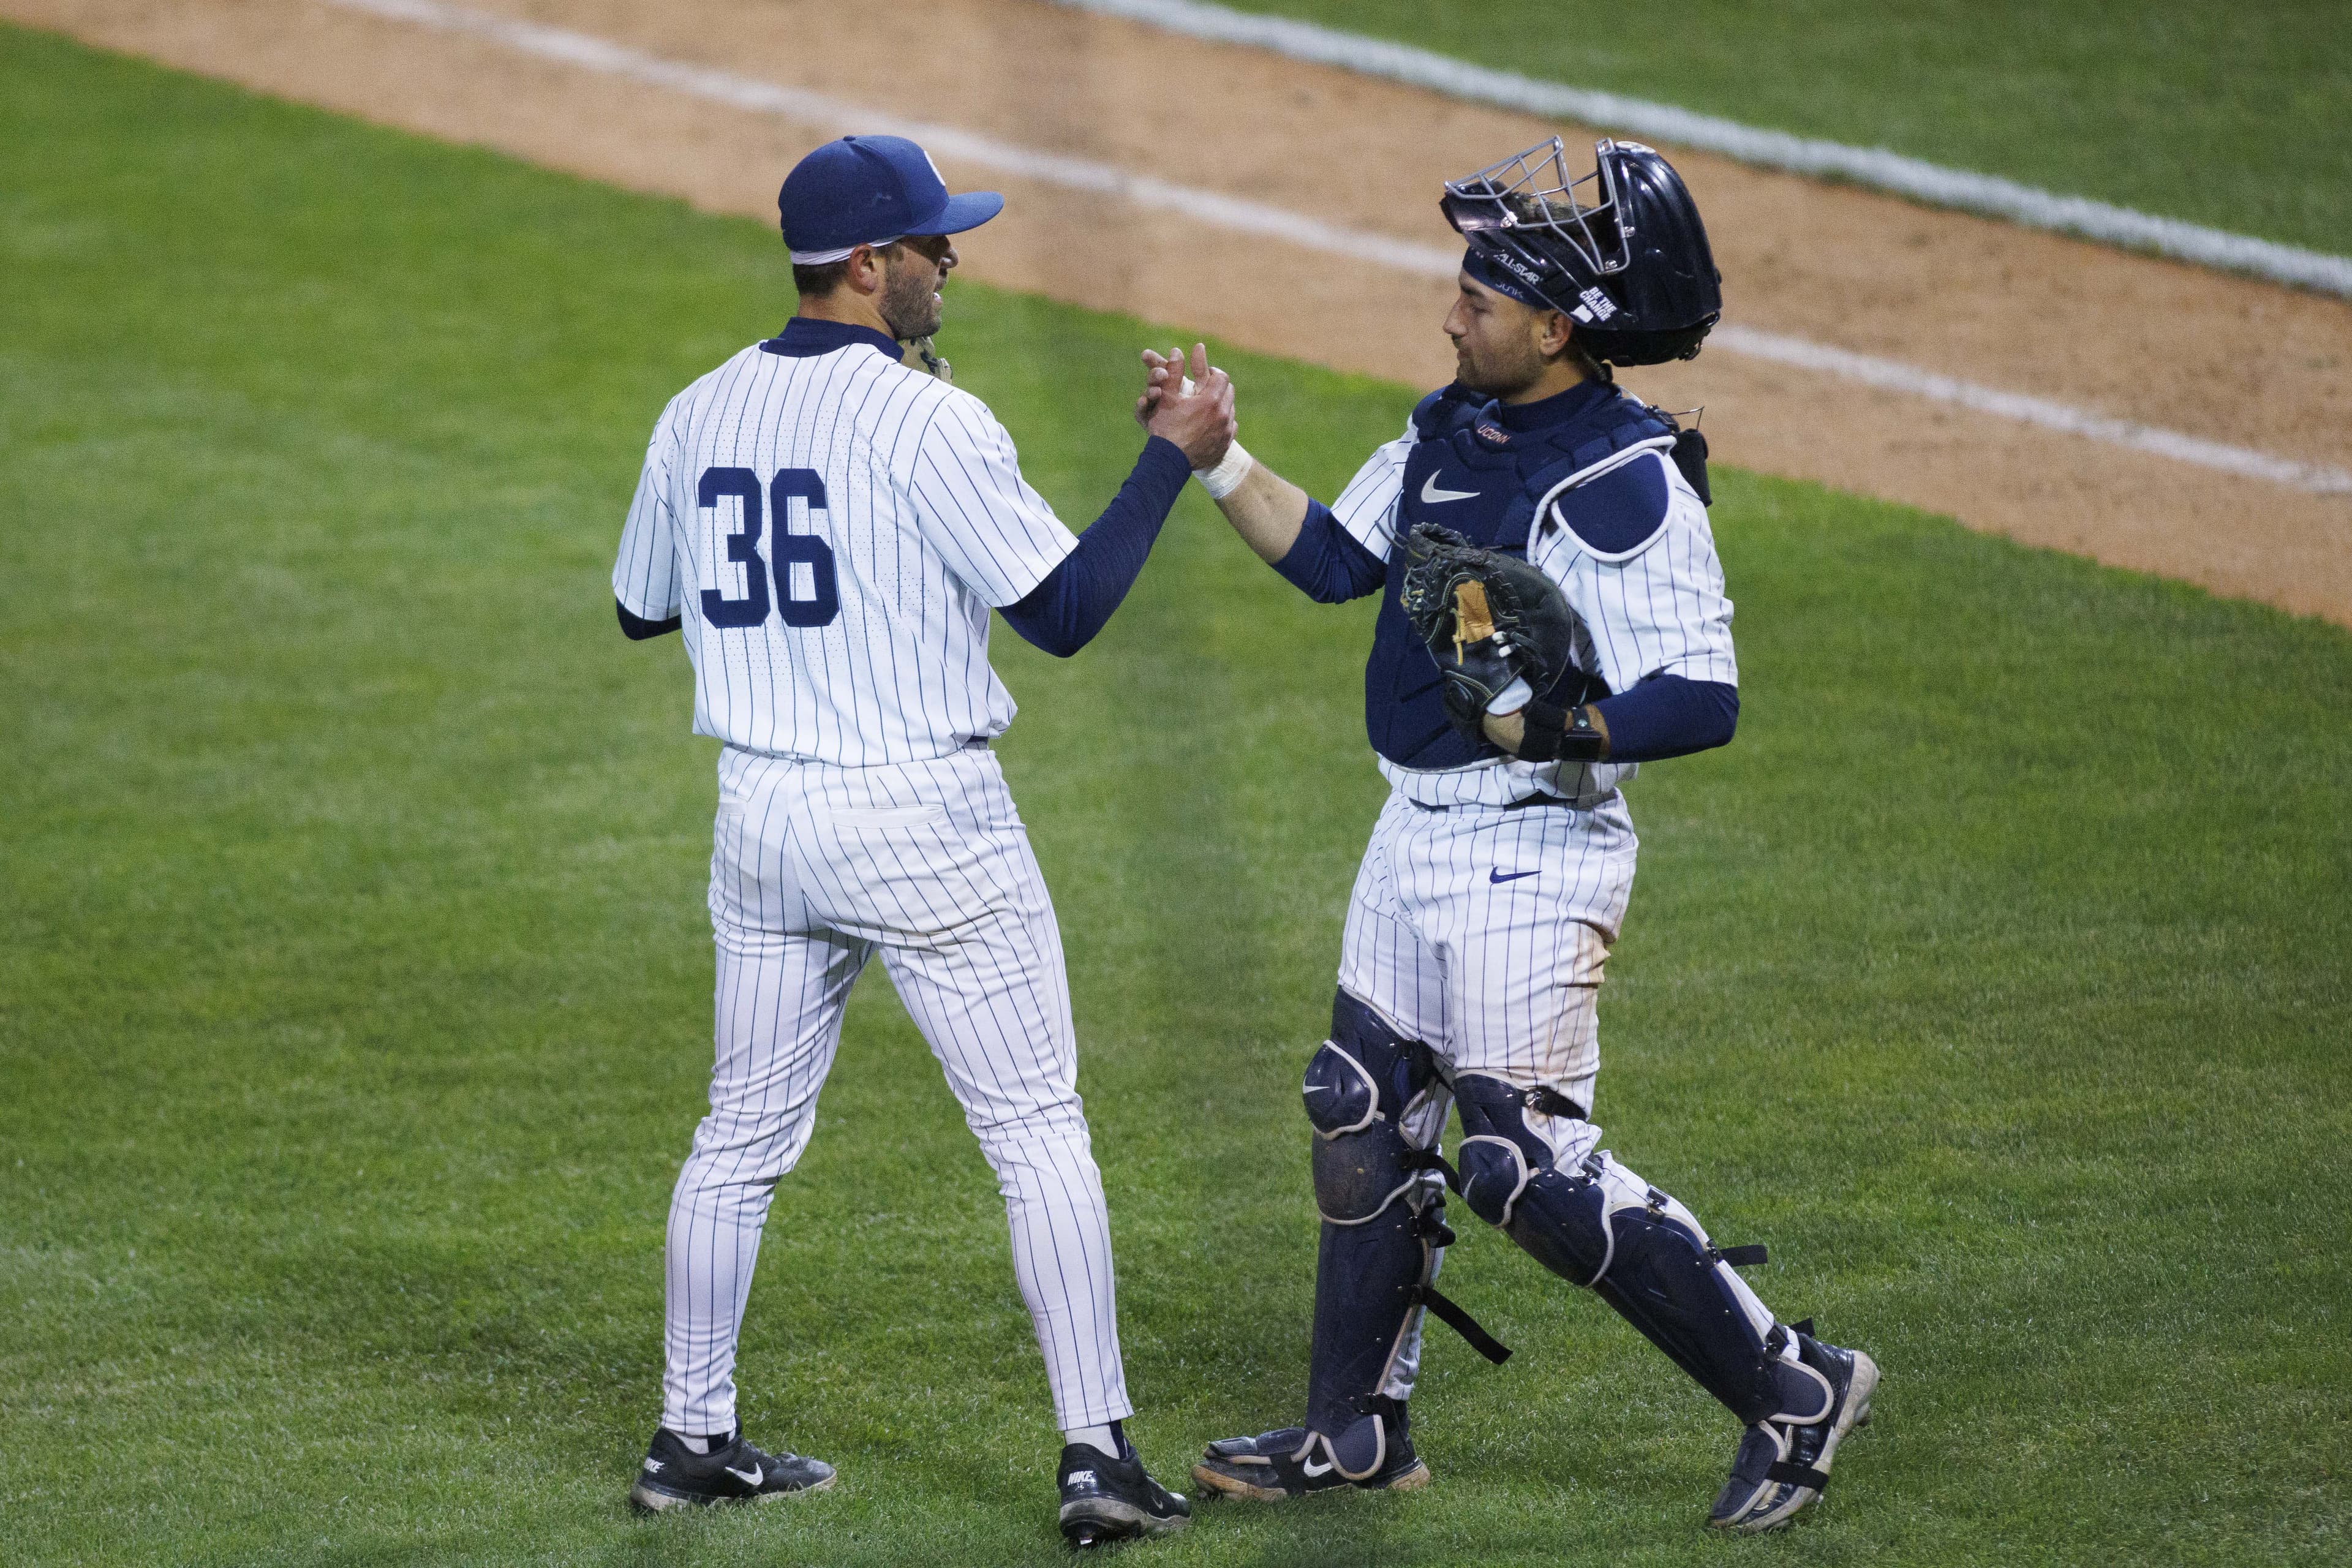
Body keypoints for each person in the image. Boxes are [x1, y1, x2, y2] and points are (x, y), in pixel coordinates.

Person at [1150, 137, 1877, 1534]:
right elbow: (1335, 561)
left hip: (1532, 848)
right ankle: (1354, 1429)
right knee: (1359, 1112)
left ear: (1556, 329)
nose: (1451, 313)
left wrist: (1562, 732)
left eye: (1479, 299)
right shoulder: (1449, 428)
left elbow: (1704, 694)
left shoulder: (1624, 478)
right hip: (1411, 829)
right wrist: (1216, 455)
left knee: (1521, 1167)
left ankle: (1795, 1384)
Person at [609, 132, 1231, 1546]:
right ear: (864, 264)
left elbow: (645, 607)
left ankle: (690, 1436)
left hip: (762, 819)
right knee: (1035, 1127)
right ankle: (1097, 1456)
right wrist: (1168, 461)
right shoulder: (930, 421)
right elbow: (1063, 614)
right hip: (921, 821)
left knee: (741, 1133)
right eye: (931, 245)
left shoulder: (696, 407)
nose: (952, 263)